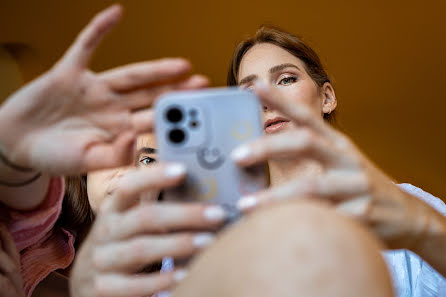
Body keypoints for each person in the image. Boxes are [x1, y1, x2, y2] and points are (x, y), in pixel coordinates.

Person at [168, 26, 446, 297]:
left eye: (286, 79)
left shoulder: (409, 208)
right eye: (248, 94)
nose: (267, 99)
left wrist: (422, 229)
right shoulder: (206, 230)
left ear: (326, 97)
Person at [0, 4, 210, 297]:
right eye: (116, 151)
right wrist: (13, 153)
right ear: (85, 168)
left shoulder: (178, 273)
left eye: (148, 159)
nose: (130, 171)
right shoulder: (36, 241)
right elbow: (23, 203)